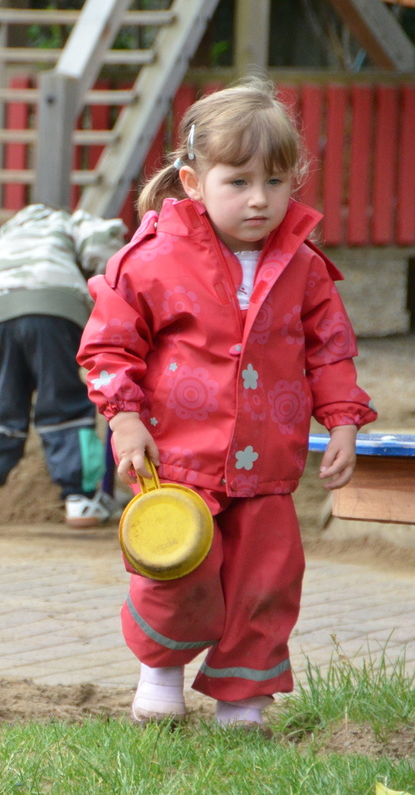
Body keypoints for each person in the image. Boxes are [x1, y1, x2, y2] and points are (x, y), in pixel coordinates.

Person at [76, 76, 377, 729]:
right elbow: (108, 346)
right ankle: (159, 676)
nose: (259, 199)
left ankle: (244, 699)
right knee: (178, 570)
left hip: (266, 466)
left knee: (264, 581)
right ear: (193, 181)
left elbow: (329, 349)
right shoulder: (153, 258)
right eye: (237, 182)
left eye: (275, 181)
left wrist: (345, 422)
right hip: (177, 460)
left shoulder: (303, 264)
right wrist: (125, 419)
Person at [0, 204, 125, 528]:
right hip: (55, 307)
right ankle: (82, 500)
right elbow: (104, 246)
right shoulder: (67, 223)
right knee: (62, 400)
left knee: (1, 404)